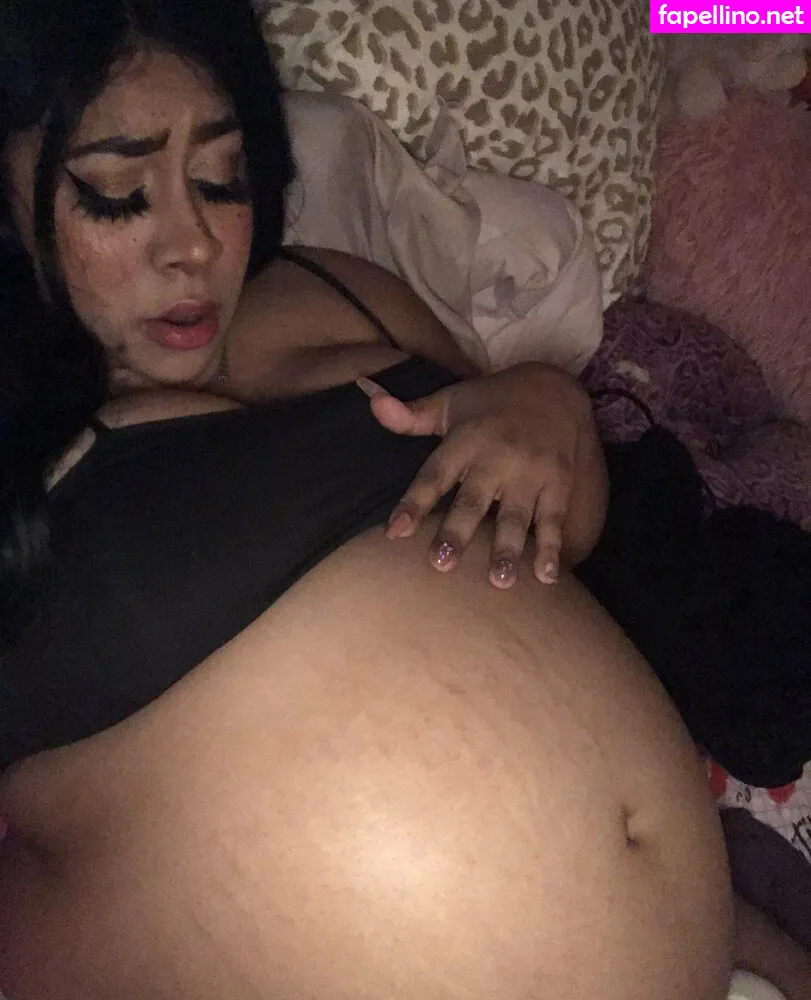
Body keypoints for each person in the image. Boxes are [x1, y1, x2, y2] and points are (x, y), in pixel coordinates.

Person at [0, 1, 808, 998]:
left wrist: (544, 409)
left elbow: (550, 545)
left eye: (220, 178)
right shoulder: (23, 463)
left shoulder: (330, 288)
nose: (194, 245)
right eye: (119, 195)